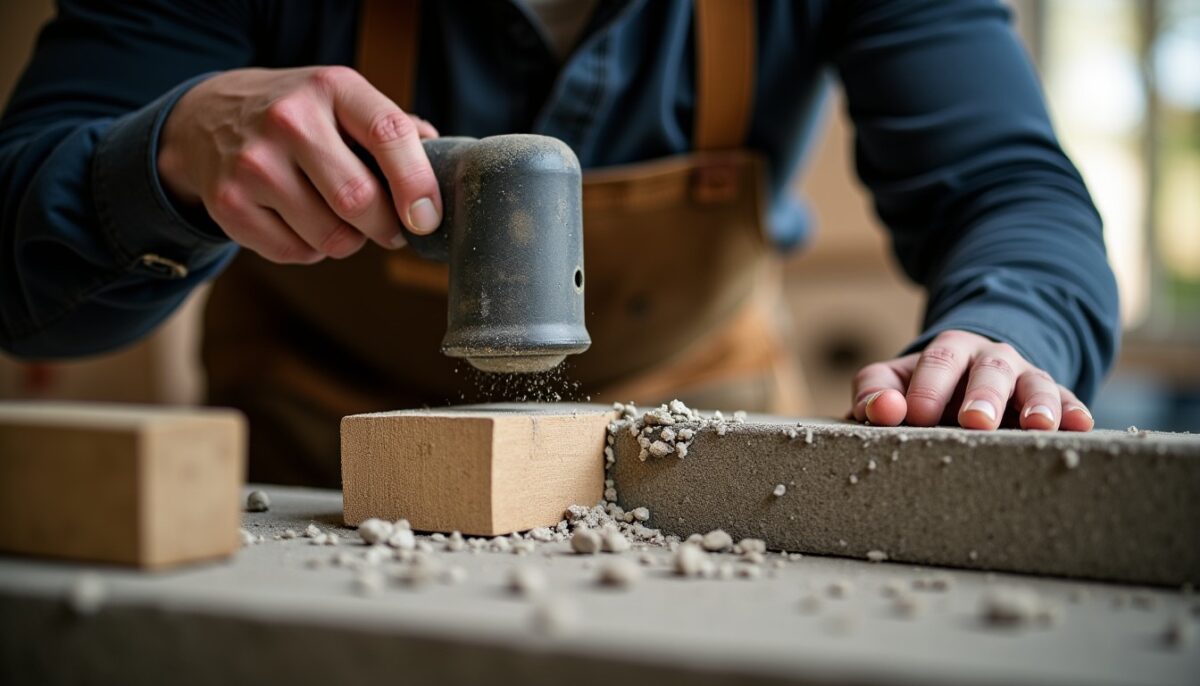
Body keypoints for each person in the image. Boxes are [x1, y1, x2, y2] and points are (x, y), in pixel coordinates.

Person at [0, 0, 1119, 486]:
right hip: (314, 480)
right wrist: (161, 162)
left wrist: (1002, 332)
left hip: (697, 477)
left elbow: (1012, 191)